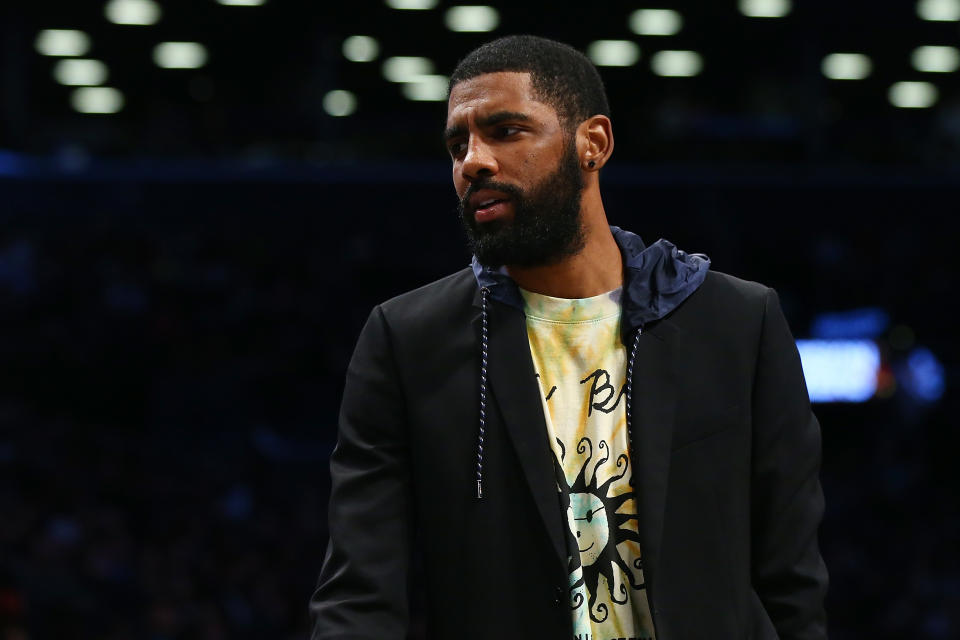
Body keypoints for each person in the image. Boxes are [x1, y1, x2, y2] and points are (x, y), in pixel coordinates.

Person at [310, 35, 828, 640]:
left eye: (506, 131)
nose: (472, 161)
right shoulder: (406, 340)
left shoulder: (738, 322)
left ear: (593, 143)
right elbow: (360, 597)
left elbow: (792, 582)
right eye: (458, 143)